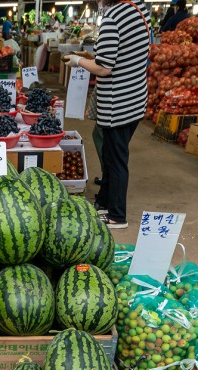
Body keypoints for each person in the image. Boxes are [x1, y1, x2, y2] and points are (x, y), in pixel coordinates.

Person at [64, 0, 150, 228]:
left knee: (115, 159)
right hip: (135, 97)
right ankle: (104, 201)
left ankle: (116, 215)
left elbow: (104, 67)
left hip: (118, 103)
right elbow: (124, 54)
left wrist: (78, 61)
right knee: (112, 154)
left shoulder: (113, 17)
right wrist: (90, 57)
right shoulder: (139, 9)